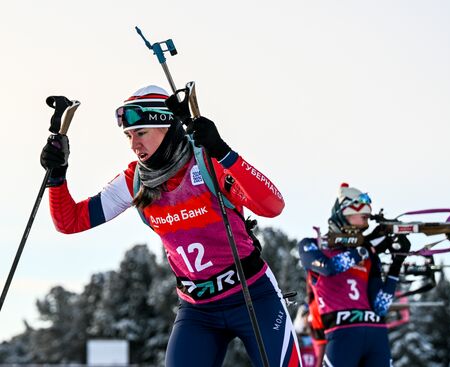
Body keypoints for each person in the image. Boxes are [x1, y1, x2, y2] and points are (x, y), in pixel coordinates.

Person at [40, 85, 302, 366]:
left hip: (254, 295)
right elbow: (70, 221)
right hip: (198, 311)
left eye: (141, 133)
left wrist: (223, 152)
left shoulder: (205, 162)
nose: (133, 144)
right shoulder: (135, 181)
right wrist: (57, 176)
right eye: (129, 135)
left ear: (167, 127)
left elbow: (273, 206)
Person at [298, 183, 410, 367]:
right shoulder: (312, 245)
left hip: (376, 334)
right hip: (342, 332)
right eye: (362, 213)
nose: (367, 216)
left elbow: (381, 306)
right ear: (343, 212)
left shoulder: (368, 254)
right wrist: (366, 250)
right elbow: (329, 268)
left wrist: (397, 263)